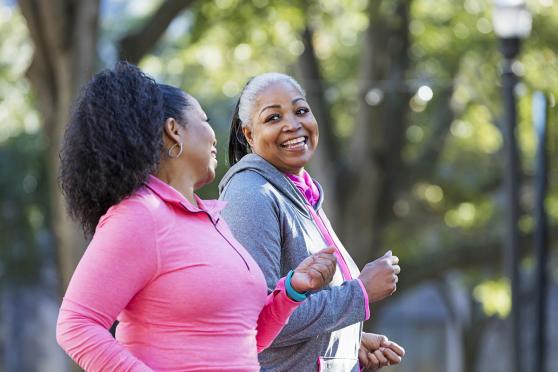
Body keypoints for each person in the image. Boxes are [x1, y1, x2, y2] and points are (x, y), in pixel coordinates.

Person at [55, 62, 338, 372]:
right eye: (203, 121)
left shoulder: (212, 220)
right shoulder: (140, 215)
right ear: (174, 130)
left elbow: (244, 337)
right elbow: (76, 324)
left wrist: (293, 289)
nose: (215, 136)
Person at [219, 72, 405, 371]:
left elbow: (301, 314)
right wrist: (359, 292)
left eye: (300, 110)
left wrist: (346, 343)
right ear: (249, 135)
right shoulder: (251, 194)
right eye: (273, 118)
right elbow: (258, 319)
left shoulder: (300, 193)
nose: (293, 124)